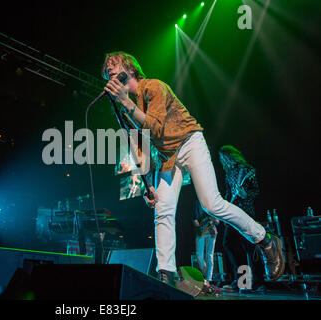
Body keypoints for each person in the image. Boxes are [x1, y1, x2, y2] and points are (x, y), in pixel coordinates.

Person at [101, 51, 284, 286]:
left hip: (189, 142)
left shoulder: (154, 87)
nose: (109, 71)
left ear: (131, 69)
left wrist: (124, 102)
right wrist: (148, 184)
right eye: (106, 71)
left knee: (212, 203)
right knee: (163, 210)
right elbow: (143, 146)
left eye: (113, 65)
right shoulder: (128, 107)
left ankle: (265, 240)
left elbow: (155, 129)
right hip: (167, 157)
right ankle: (166, 274)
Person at [218, 145, 266, 293]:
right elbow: (227, 193)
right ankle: (243, 281)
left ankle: (258, 282)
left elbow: (255, 190)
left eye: (222, 157)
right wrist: (222, 210)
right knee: (229, 244)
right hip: (232, 213)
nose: (221, 161)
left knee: (250, 246)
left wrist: (245, 194)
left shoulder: (247, 170)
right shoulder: (229, 173)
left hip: (246, 213)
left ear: (229, 156)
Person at [193, 200, 219, 286]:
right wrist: (198, 226)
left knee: (209, 255)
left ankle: (208, 279)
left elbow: (217, 221)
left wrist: (213, 220)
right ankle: (205, 273)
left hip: (211, 231)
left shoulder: (212, 202)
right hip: (201, 231)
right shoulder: (197, 203)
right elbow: (194, 218)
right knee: (199, 255)